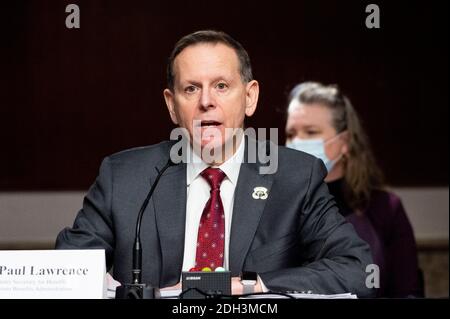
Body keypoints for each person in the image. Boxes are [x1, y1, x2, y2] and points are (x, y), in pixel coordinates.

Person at [56, 31, 374, 297]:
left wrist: (252, 286)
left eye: (221, 86)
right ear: (171, 105)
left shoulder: (294, 177)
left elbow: (357, 269)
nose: (206, 100)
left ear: (250, 97)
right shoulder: (124, 177)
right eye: (191, 88)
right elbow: (65, 273)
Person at [285, 82, 422, 297]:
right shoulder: (275, 207)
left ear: (344, 141)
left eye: (311, 132)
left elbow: (408, 292)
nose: (297, 141)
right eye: (291, 134)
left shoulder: (385, 209)